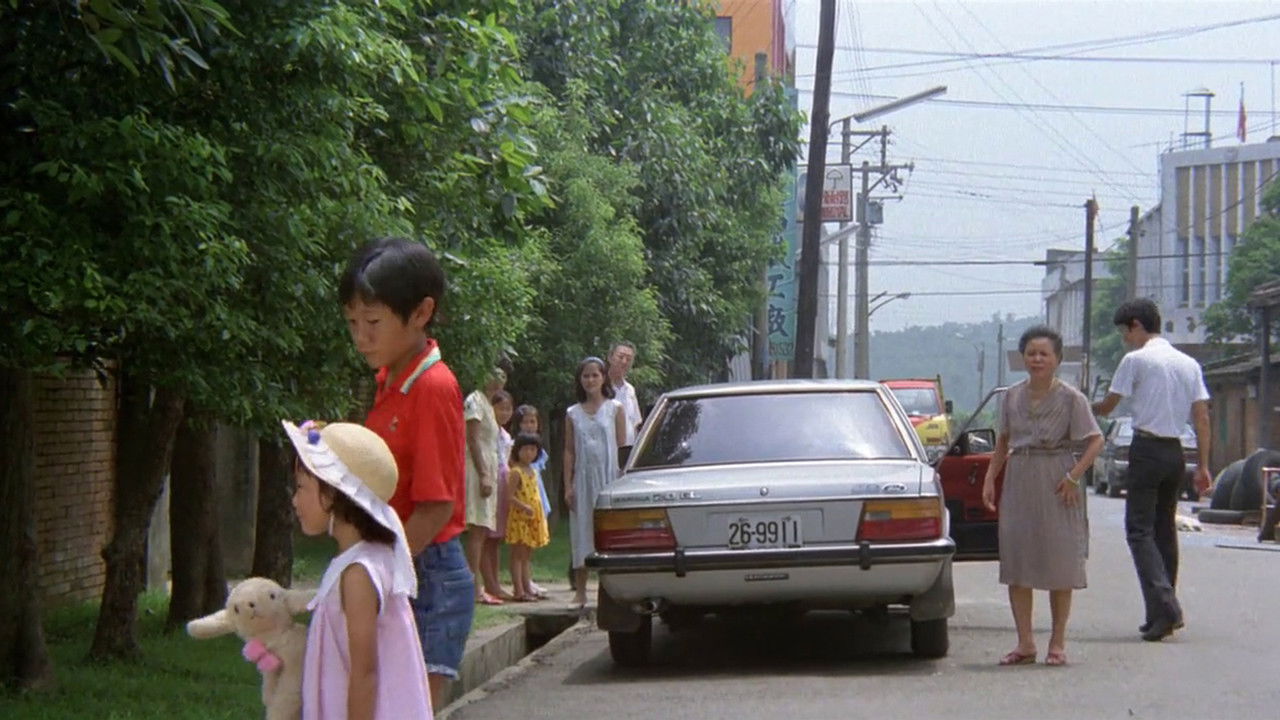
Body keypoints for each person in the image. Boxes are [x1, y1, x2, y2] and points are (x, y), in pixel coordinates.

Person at [340, 237, 471, 709]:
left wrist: (382, 575)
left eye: (373, 322)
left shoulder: (432, 386)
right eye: (352, 323)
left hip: (426, 572)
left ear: (421, 313)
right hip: (401, 563)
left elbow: (436, 507)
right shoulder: (389, 379)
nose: (361, 337)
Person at [285, 420, 432, 719]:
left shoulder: (359, 573)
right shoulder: (363, 560)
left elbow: (364, 673)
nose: (294, 500)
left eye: (301, 488)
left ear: (332, 493)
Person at [981, 325, 1103, 667]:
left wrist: (1074, 476)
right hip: (1019, 478)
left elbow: (1096, 440)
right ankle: (1025, 643)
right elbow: (1003, 440)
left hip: (1058, 480)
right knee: (1018, 560)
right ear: (1023, 358)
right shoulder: (1011, 397)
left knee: (1059, 562)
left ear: (1057, 359)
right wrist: (990, 478)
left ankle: (1057, 642)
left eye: (1044, 354)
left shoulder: (1072, 398)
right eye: (1031, 353)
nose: (1037, 359)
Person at [1092, 298, 1212, 642]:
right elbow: (1202, 418)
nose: (1124, 339)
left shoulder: (1136, 360)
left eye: (1124, 332)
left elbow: (1109, 405)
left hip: (1146, 449)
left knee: (1139, 531)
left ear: (1136, 325)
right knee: (1164, 530)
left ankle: (1167, 605)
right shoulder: (1188, 363)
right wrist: (1204, 466)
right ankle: (1159, 615)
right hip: (1176, 452)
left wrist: (1086, 405)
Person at [564, 356, 628, 607]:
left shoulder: (615, 409)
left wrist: (623, 481)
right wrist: (568, 485)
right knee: (581, 530)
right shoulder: (572, 413)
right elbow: (569, 451)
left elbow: (622, 446)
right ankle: (580, 591)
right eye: (586, 376)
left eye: (595, 375)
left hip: (609, 477)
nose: (590, 380)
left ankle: (610, 592)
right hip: (583, 479)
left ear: (603, 378)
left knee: (608, 533)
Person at [463, 369, 506, 606]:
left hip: (489, 466)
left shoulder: (488, 404)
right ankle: (474, 588)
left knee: (481, 530)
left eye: (503, 377)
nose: (499, 381)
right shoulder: (475, 401)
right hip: (476, 469)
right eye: (495, 375)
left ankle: (479, 586)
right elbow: (472, 439)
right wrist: (483, 475)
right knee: (477, 529)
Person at [512, 403, 552, 598]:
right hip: (521, 506)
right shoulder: (516, 459)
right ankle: (520, 587)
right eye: (525, 422)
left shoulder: (537, 450)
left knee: (530, 547)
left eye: (533, 421)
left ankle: (528, 582)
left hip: (535, 497)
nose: (529, 425)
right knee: (520, 550)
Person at [481, 390, 515, 601]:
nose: (505, 413)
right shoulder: (487, 432)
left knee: (496, 538)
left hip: (503, 482)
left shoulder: (505, 435)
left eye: (508, 409)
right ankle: (489, 583)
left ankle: (495, 582)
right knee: (487, 537)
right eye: (500, 408)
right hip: (492, 481)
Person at [606, 342, 644, 467]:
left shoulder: (630, 390)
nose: (624, 362)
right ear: (610, 357)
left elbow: (636, 423)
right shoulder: (600, 388)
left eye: (629, 359)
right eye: (620, 357)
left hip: (628, 454)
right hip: (607, 452)